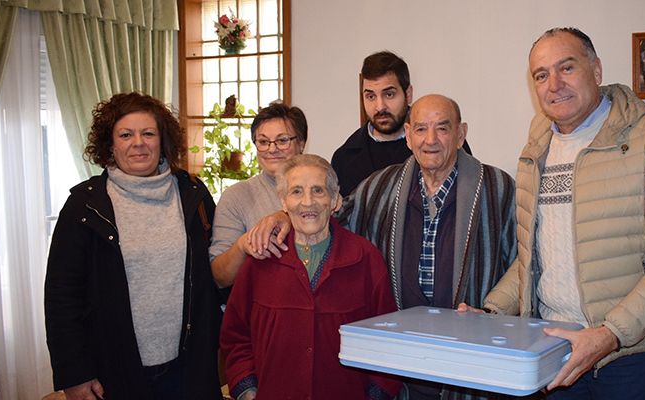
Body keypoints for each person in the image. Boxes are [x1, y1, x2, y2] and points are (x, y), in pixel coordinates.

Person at [478, 27, 645, 400]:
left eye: (566, 68)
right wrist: (488, 315)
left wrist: (609, 334)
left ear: (596, 71)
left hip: (625, 356)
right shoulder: (536, 149)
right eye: (541, 75)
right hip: (552, 346)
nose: (554, 84)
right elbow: (531, 260)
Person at [253, 94, 517, 399]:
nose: (430, 140)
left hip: (471, 360)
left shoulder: (498, 188)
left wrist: (492, 309)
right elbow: (328, 216)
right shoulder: (380, 186)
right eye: (420, 129)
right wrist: (283, 216)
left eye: (442, 129)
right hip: (400, 362)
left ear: (461, 134)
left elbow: (523, 263)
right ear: (407, 135)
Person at [44, 92, 222, 399]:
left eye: (148, 133)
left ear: (162, 140)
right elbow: (62, 298)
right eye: (126, 134)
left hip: (190, 367)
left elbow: (214, 271)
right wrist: (74, 373)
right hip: (115, 369)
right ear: (110, 145)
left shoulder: (193, 194)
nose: (138, 142)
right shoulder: (84, 206)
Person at [220, 154, 401, 400]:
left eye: (318, 191)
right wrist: (247, 391)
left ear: (335, 200)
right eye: (296, 191)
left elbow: (388, 340)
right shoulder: (260, 260)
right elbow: (236, 335)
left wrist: (377, 395)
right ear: (283, 201)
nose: (308, 202)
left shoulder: (365, 258)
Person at [331, 51, 471, 197]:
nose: (380, 106)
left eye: (389, 94)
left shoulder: (444, 141)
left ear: (408, 94)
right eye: (371, 96)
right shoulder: (345, 158)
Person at [210, 102, 307, 287]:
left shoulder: (321, 189)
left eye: (282, 140)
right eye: (263, 142)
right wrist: (242, 246)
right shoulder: (236, 197)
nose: (272, 149)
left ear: (301, 144)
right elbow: (219, 277)